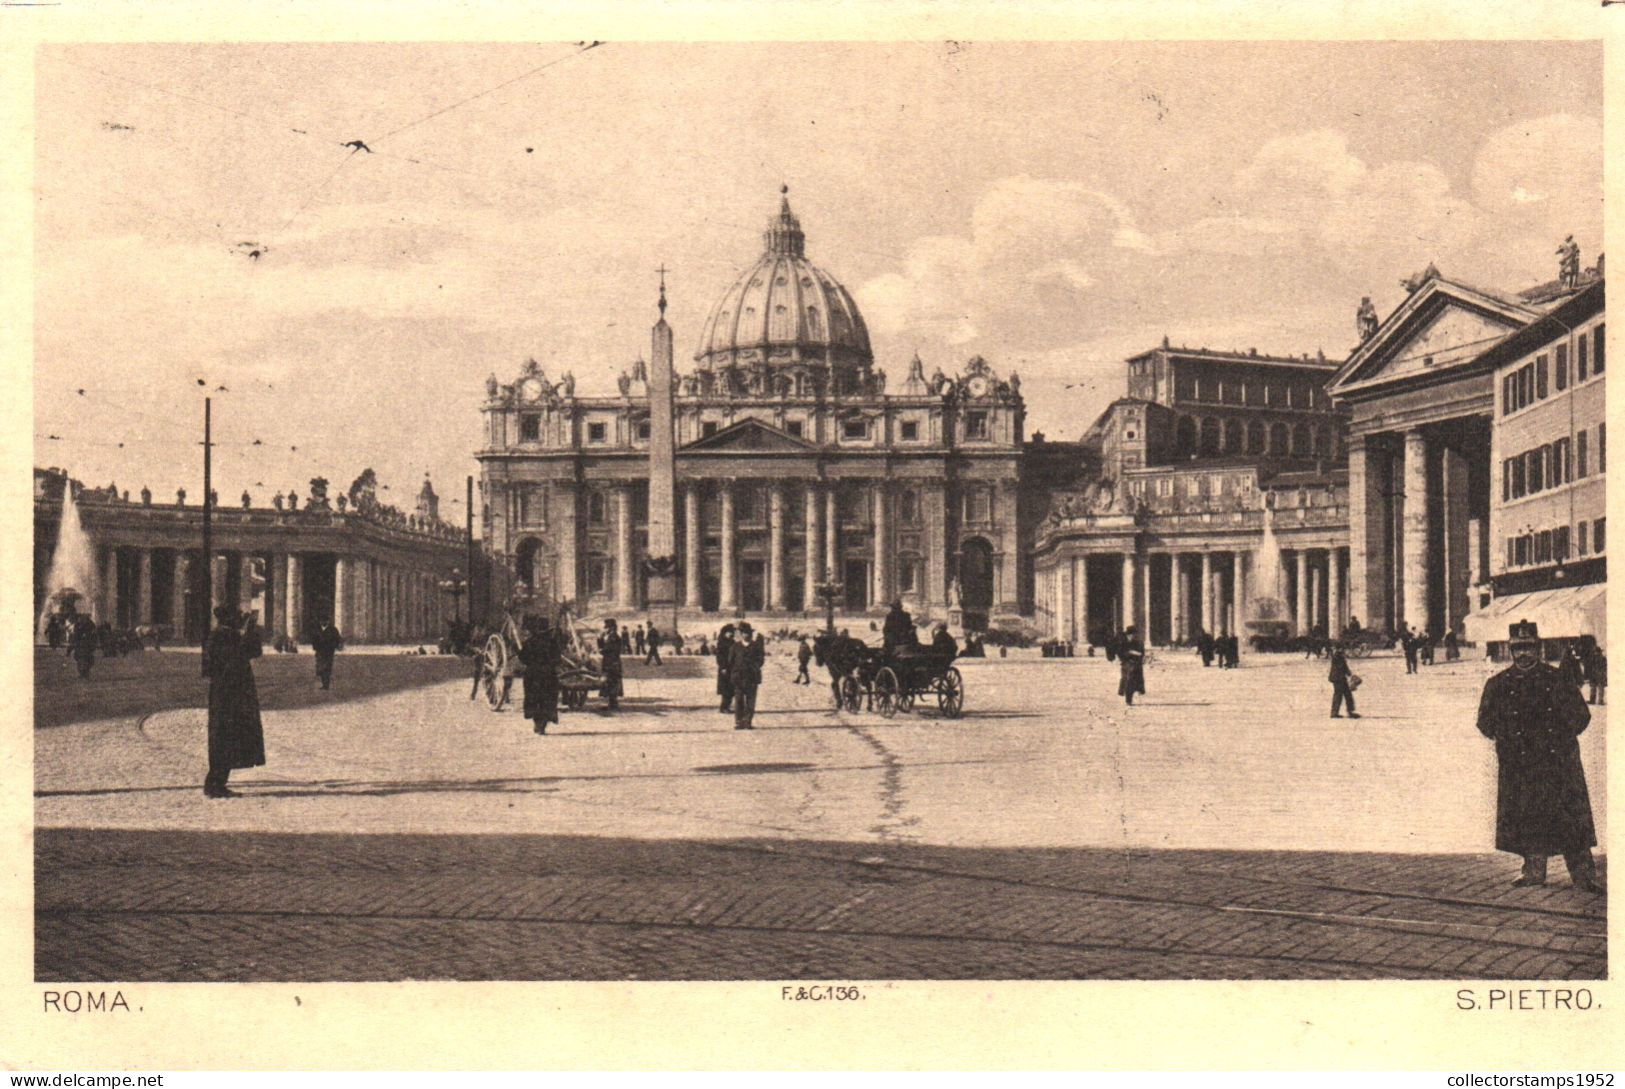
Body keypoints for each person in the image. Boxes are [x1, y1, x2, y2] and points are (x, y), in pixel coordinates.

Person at [1476, 620, 1601, 893]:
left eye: (1529, 647)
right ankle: (1533, 871)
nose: (1523, 654)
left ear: (1538, 647)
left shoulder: (1557, 679)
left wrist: (1559, 740)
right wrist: (1508, 740)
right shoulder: (1498, 684)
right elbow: (1485, 722)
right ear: (1510, 649)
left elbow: (1581, 716)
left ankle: (1584, 875)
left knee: (1570, 818)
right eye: (1518, 648)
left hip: (1558, 763)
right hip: (1520, 764)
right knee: (1528, 816)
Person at [203, 606, 265, 799]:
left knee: (228, 738)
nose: (240, 619)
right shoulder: (221, 637)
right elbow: (239, 655)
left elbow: (253, 651)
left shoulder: (225, 635)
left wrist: (250, 631)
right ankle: (214, 784)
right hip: (227, 696)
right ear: (228, 619)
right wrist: (248, 633)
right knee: (223, 737)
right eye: (237, 616)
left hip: (229, 695)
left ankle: (218, 782)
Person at [519, 615, 561, 734]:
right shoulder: (552, 643)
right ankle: (543, 724)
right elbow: (558, 659)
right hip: (549, 674)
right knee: (547, 699)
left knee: (534, 698)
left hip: (533, 675)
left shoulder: (529, 642)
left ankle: (537, 723)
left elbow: (523, 658)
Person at [728, 621, 765, 729]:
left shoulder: (756, 646)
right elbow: (731, 661)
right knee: (739, 700)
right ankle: (739, 722)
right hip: (738, 677)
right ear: (741, 634)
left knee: (750, 701)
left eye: (748, 633)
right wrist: (734, 673)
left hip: (752, 677)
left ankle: (748, 721)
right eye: (744, 633)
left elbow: (761, 660)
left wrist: (754, 667)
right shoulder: (735, 646)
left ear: (751, 634)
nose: (746, 635)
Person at [310, 618, 344, 690]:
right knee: (320, 668)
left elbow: (337, 639)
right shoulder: (317, 629)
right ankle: (324, 683)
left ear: (327, 621)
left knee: (326, 668)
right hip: (319, 651)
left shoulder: (333, 629)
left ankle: (326, 685)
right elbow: (313, 639)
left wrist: (335, 646)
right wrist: (315, 647)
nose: (322, 622)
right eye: (321, 621)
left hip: (328, 652)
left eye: (324, 621)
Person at [598, 619, 624, 712]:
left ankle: (613, 704)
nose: (606, 629)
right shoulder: (610, 636)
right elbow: (603, 648)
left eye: (607, 627)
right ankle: (611, 703)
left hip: (612, 663)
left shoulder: (614, 637)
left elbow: (608, 649)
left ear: (612, 628)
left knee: (612, 682)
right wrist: (600, 639)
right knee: (609, 682)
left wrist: (602, 650)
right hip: (610, 662)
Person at [1117, 625, 1146, 706]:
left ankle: (1129, 699)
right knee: (1127, 681)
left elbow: (1141, 653)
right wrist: (1130, 653)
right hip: (1126, 665)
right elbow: (1120, 653)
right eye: (1131, 635)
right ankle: (1128, 700)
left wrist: (1137, 655)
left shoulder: (1138, 643)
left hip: (1136, 665)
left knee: (1134, 683)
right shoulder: (1123, 643)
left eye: (1134, 635)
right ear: (1128, 635)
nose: (1132, 637)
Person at [1329, 644, 1359, 718]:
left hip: (1339, 678)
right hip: (1338, 678)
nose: (1344, 650)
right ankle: (1337, 713)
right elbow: (1342, 667)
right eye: (1342, 649)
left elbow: (1344, 667)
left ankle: (1345, 712)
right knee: (1340, 695)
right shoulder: (1337, 656)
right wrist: (1349, 674)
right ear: (1340, 649)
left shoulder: (1338, 655)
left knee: (1344, 695)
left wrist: (1349, 674)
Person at [68, 613, 97, 680]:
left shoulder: (90, 625)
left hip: (86, 646)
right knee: (81, 660)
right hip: (80, 646)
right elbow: (75, 636)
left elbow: (93, 635)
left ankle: (85, 673)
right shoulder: (78, 625)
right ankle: (83, 673)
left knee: (86, 660)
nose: (81, 619)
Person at [714, 624, 736, 713]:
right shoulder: (722, 643)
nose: (731, 634)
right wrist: (723, 667)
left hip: (732, 668)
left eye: (732, 632)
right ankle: (724, 707)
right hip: (725, 669)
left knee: (731, 688)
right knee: (726, 689)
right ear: (725, 633)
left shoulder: (732, 642)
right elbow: (719, 657)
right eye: (729, 632)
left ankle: (726, 706)